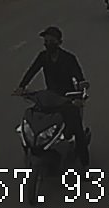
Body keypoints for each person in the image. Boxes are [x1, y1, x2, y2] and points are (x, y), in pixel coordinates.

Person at [13, 26, 90, 168]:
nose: (47, 43)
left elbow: (79, 78)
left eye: (51, 41)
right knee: (31, 120)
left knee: (77, 129)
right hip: (49, 97)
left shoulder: (69, 58)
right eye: (46, 41)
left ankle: (85, 166)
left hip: (67, 99)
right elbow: (32, 71)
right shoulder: (43, 57)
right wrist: (22, 87)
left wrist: (80, 92)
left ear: (59, 42)